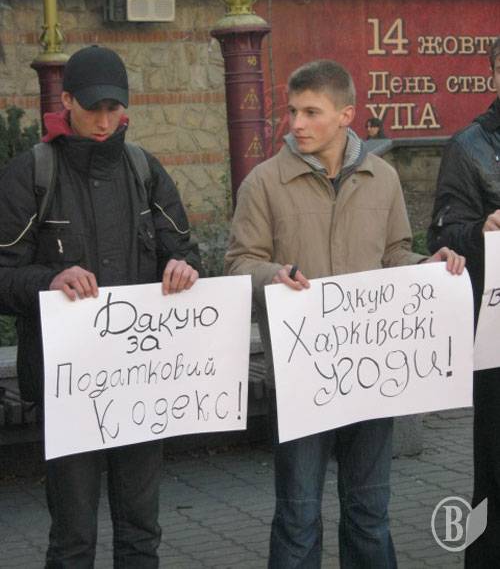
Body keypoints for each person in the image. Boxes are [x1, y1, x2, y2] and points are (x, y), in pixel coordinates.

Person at [224, 59, 465, 568]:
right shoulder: (264, 183)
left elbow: (394, 253)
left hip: (370, 377)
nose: (296, 123)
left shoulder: (383, 179)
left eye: (311, 112)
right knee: (297, 517)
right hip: (301, 377)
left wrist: (426, 265)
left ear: (346, 115)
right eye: (292, 111)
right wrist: (273, 275)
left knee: (369, 513)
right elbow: (238, 263)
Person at [0, 45, 203, 568]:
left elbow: (184, 250)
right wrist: (50, 279)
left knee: (141, 533)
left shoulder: (144, 169)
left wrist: (182, 268)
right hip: (66, 387)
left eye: (115, 109)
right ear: (66, 100)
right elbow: (3, 274)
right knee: (73, 539)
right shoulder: (31, 173)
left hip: (141, 382)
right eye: (94, 108)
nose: (106, 122)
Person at [428, 37, 500, 567]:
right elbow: (444, 232)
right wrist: (481, 230)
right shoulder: (469, 147)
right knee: (495, 467)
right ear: (493, 75)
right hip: (497, 338)